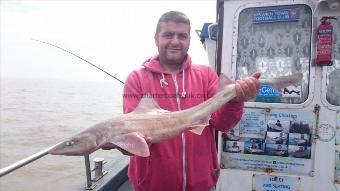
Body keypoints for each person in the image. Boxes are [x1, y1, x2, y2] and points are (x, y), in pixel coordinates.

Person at [105, 11, 260, 191]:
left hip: (202, 184)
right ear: (156, 38)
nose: (175, 41)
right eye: (168, 35)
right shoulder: (137, 79)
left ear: (188, 40)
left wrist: (235, 100)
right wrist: (120, 142)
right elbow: (133, 135)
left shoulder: (206, 75)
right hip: (153, 186)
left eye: (182, 36)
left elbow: (222, 124)